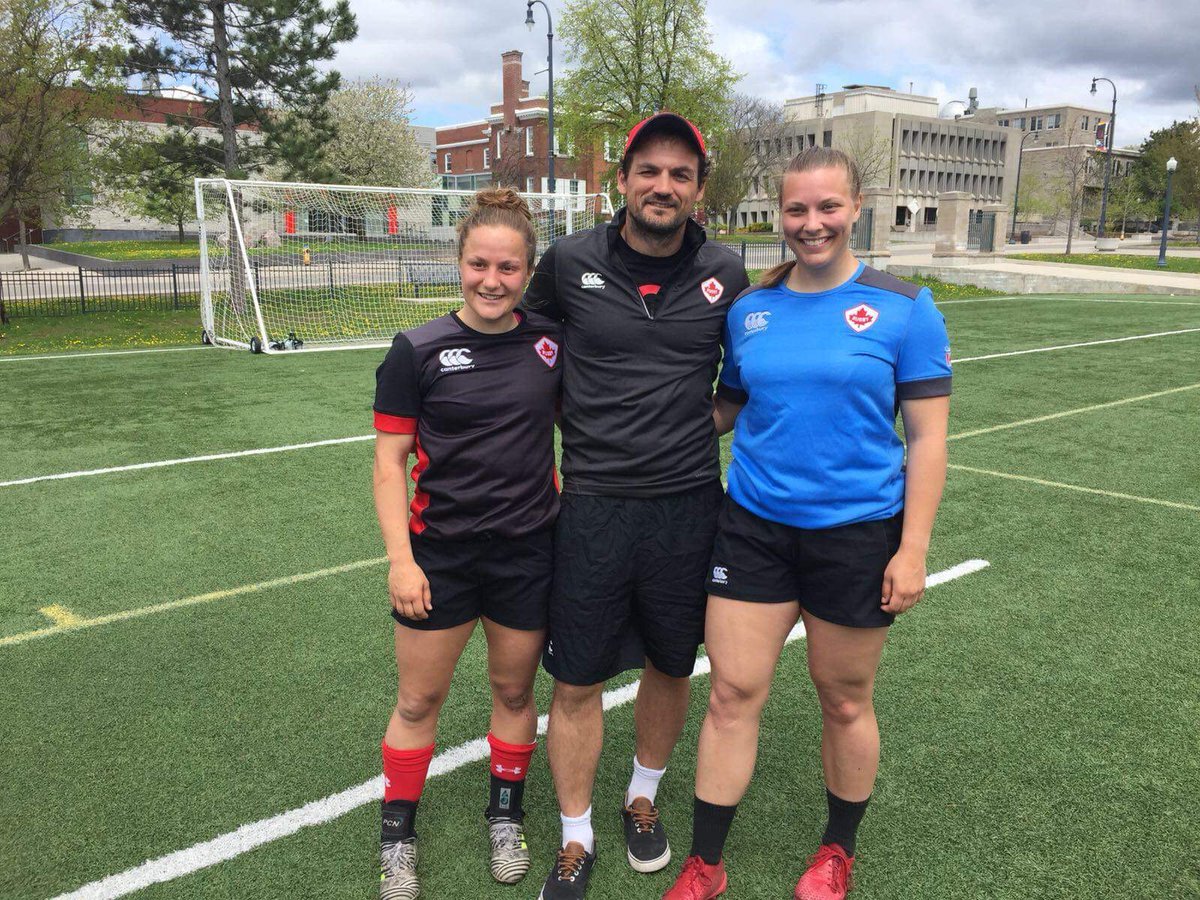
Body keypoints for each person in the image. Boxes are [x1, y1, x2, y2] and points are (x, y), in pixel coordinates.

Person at [662, 147, 952, 900]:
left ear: (856, 208)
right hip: (753, 525)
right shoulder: (750, 310)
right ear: (778, 214)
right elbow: (728, 406)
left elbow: (927, 438)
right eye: (797, 210)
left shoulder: (904, 307)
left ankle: (837, 850)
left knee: (844, 697)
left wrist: (912, 548)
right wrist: (642, 422)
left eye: (827, 208)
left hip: (857, 534)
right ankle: (706, 864)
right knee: (731, 692)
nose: (811, 223)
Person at [522, 113, 750, 900]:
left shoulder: (727, 267)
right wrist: (579, 425)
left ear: (697, 187)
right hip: (591, 504)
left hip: (689, 506)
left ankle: (641, 794)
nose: (663, 186)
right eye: (648, 171)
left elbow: (746, 376)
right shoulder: (569, 260)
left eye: (680, 174)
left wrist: (703, 421)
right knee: (577, 675)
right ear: (621, 181)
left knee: (669, 660)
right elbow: (533, 360)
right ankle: (575, 834)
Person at [372, 188, 562, 899]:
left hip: (525, 553)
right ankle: (397, 837)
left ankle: (505, 816)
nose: (492, 279)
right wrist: (401, 560)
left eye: (508, 268)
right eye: (479, 263)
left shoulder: (547, 342)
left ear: (526, 270)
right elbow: (389, 464)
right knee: (420, 701)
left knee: (514, 688)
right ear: (458, 262)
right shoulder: (416, 349)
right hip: (439, 555)